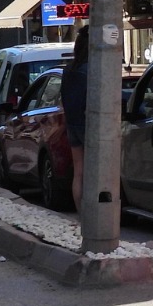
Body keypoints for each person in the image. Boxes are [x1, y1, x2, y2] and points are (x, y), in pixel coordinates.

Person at [60, 29, 89, 212]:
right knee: (96, 170)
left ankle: (81, 214)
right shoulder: (92, 69)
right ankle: (95, 215)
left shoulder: (69, 69)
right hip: (89, 123)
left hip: (72, 123)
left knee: (78, 171)